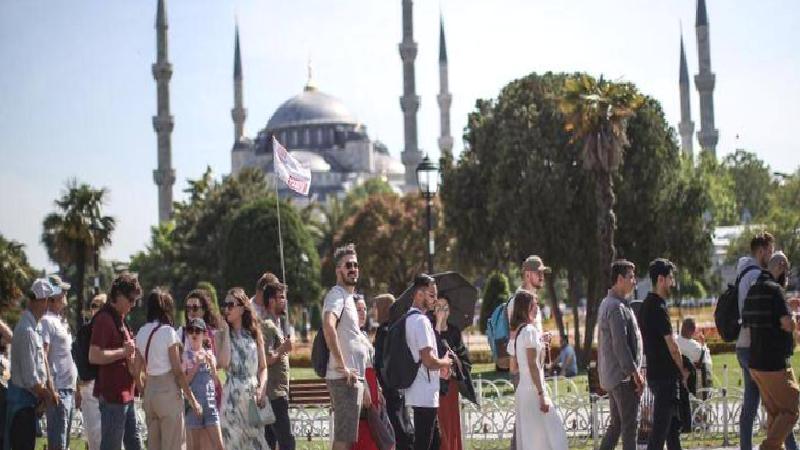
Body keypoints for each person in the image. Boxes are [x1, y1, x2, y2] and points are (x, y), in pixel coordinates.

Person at [735, 232, 797, 450]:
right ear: (780, 266)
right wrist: (792, 320)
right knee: (792, 406)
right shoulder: (773, 288)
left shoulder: (753, 286)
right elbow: (786, 323)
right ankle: (768, 447)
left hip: (754, 359)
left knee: (773, 411)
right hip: (771, 359)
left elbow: (750, 320)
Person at [132, 289, 201, 450]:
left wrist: (144, 391)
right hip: (168, 393)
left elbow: (136, 371)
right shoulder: (168, 332)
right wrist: (192, 400)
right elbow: (177, 371)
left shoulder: (142, 332)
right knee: (174, 445)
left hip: (150, 394)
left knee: (154, 445)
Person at [507, 290, 568, 450]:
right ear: (525, 308)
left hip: (523, 391)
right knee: (555, 436)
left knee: (532, 440)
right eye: (534, 306)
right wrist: (541, 394)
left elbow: (513, 368)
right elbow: (534, 365)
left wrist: (541, 345)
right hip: (535, 390)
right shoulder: (529, 331)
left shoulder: (517, 334)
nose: (537, 309)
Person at [88, 273, 143, 450]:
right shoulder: (104, 319)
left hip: (126, 396)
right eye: (131, 300)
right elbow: (94, 355)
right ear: (118, 295)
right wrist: (123, 352)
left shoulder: (119, 318)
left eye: (136, 301)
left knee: (135, 444)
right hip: (113, 398)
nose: (133, 305)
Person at [322, 244, 368, 450]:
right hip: (343, 378)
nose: (353, 269)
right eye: (348, 265)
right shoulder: (337, 295)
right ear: (338, 270)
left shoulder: (349, 297)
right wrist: (342, 366)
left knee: (347, 437)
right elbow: (327, 325)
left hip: (351, 379)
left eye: (356, 265)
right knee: (343, 437)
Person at [5, 279, 58, 450]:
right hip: (22, 406)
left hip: (27, 404)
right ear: (37, 301)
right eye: (46, 301)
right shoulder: (27, 331)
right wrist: (46, 395)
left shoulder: (32, 328)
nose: (47, 306)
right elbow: (30, 378)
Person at [639, 259, 686, 450]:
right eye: (670, 278)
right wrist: (682, 369)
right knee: (659, 432)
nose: (672, 283)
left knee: (671, 429)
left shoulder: (645, 306)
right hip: (665, 377)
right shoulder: (657, 307)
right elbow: (672, 346)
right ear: (661, 279)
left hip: (656, 374)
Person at [597, 260, 643, 450]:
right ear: (619, 279)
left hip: (615, 376)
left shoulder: (612, 303)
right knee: (629, 427)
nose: (634, 281)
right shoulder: (616, 307)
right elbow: (620, 345)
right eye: (631, 277)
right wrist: (634, 373)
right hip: (622, 379)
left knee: (616, 426)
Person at [506, 255, 551, 450]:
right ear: (527, 274)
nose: (542, 276)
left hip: (535, 368)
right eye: (538, 273)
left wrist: (541, 341)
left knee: (528, 424)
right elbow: (516, 338)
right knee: (526, 423)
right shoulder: (518, 301)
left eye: (543, 273)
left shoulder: (532, 301)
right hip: (525, 371)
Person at [404, 274, 452, 450]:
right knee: (425, 444)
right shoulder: (421, 321)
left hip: (421, 390)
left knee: (433, 442)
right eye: (431, 295)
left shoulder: (410, 319)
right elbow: (429, 360)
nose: (435, 300)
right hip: (424, 392)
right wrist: (445, 363)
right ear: (419, 295)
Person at [217, 287, 269, 450]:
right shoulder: (222, 335)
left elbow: (263, 367)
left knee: (256, 443)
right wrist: (225, 331)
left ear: (241, 307)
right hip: (231, 397)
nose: (227, 309)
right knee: (232, 444)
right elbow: (224, 363)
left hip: (253, 396)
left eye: (230, 305)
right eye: (224, 305)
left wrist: (262, 388)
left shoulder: (255, 333)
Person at [432, 295, 476, 450]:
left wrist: (455, 359)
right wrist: (437, 324)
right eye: (438, 307)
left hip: (450, 386)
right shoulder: (430, 329)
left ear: (450, 311)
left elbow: (465, 360)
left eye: (445, 308)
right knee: (439, 426)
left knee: (452, 424)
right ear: (433, 310)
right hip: (434, 386)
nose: (442, 311)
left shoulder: (454, 331)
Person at [40, 275, 77, 450]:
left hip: (67, 389)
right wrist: (51, 387)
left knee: (64, 443)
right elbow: (43, 355)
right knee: (58, 444)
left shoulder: (59, 320)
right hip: (58, 390)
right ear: (53, 296)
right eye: (62, 291)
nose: (65, 294)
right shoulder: (47, 321)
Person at [373, 293, 413, 449]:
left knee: (397, 430)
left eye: (376, 308)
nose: (373, 311)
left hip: (389, 390)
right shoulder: (393, 328)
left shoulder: (385, 331)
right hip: (396, 388)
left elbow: (383, 362)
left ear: (384, 309)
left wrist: (381, 384)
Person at [260, 280, 295, 450]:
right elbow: (265, 360)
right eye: (281, 297)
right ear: (271, 301)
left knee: (270, 442)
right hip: (274, 394)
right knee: (287, 442)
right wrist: (282, 349)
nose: (285, 301)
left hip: (277, 393)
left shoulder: (276, 324)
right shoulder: (267, 325)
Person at [182, 318, 224, 450]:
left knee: (220, 447)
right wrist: (196, 365)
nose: (194, 334)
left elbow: (217, 383)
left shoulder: (210, 354)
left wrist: (211, 365)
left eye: (197, 331)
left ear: (204, 334)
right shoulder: (185, 356)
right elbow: (184, 382)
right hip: (193, 406)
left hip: (210, 405)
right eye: (190, 330)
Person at [78, 293, 106, 450]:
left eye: (100, 305)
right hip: (90, 386)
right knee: (93, 435)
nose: (96, 309)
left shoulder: (113, 328)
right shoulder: (85, 331)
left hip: (107, 387)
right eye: (93, 305)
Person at [352, 295, 380, 450]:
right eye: (358, 310)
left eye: (364, 309)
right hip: (363, 387)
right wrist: (365, 389)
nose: (363, 313)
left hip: (373, 385)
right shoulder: (351, 336)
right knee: (364, 432)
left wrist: (378, 390)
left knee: (373, 432)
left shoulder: (362, 334)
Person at [675, 318, 712, 393]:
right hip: (693, 380)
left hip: (676, 377)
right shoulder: (695, 347)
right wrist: (703, 344)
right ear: (692, 331)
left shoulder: (675, 341)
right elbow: (705, 359)